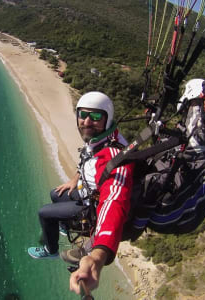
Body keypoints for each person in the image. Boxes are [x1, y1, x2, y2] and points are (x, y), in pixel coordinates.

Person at [27, 91, 135, 294]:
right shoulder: (100, 139)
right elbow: (87, 159)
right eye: (83, 115)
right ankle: (65, 227)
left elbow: (114, 201)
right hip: (86, 189)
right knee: (55, 194)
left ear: (107, 119)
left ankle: (51, 250)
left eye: (95, 117)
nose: (87, 121)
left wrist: (96, 257)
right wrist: (74, 179)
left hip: (92, 206)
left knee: (44, 212)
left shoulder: (115, 157)